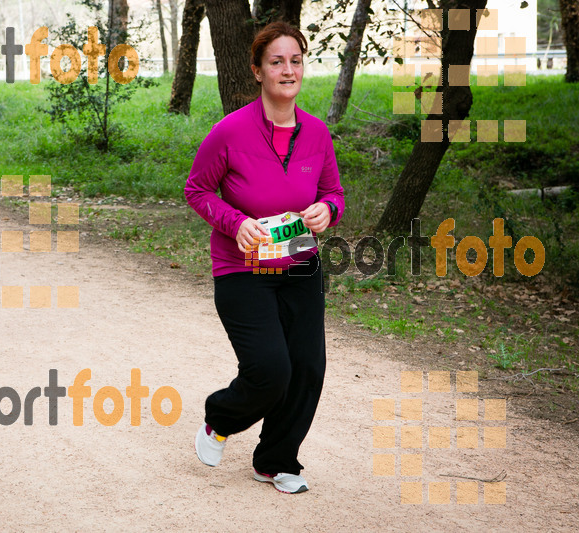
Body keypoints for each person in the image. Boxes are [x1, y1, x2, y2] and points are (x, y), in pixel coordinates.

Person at [184, 21, 344, 494]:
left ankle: (275, 460)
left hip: (299, 263)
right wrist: (236, 223)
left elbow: (333, 193)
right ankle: (219, 419)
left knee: (308, 367)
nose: (288, 69)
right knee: (271, 370)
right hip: (242, 268)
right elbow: (196, 190)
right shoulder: (229, 132)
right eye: (277, 61)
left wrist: (326, 211)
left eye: (295, 60)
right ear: (257, 70)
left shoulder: (316, 133)